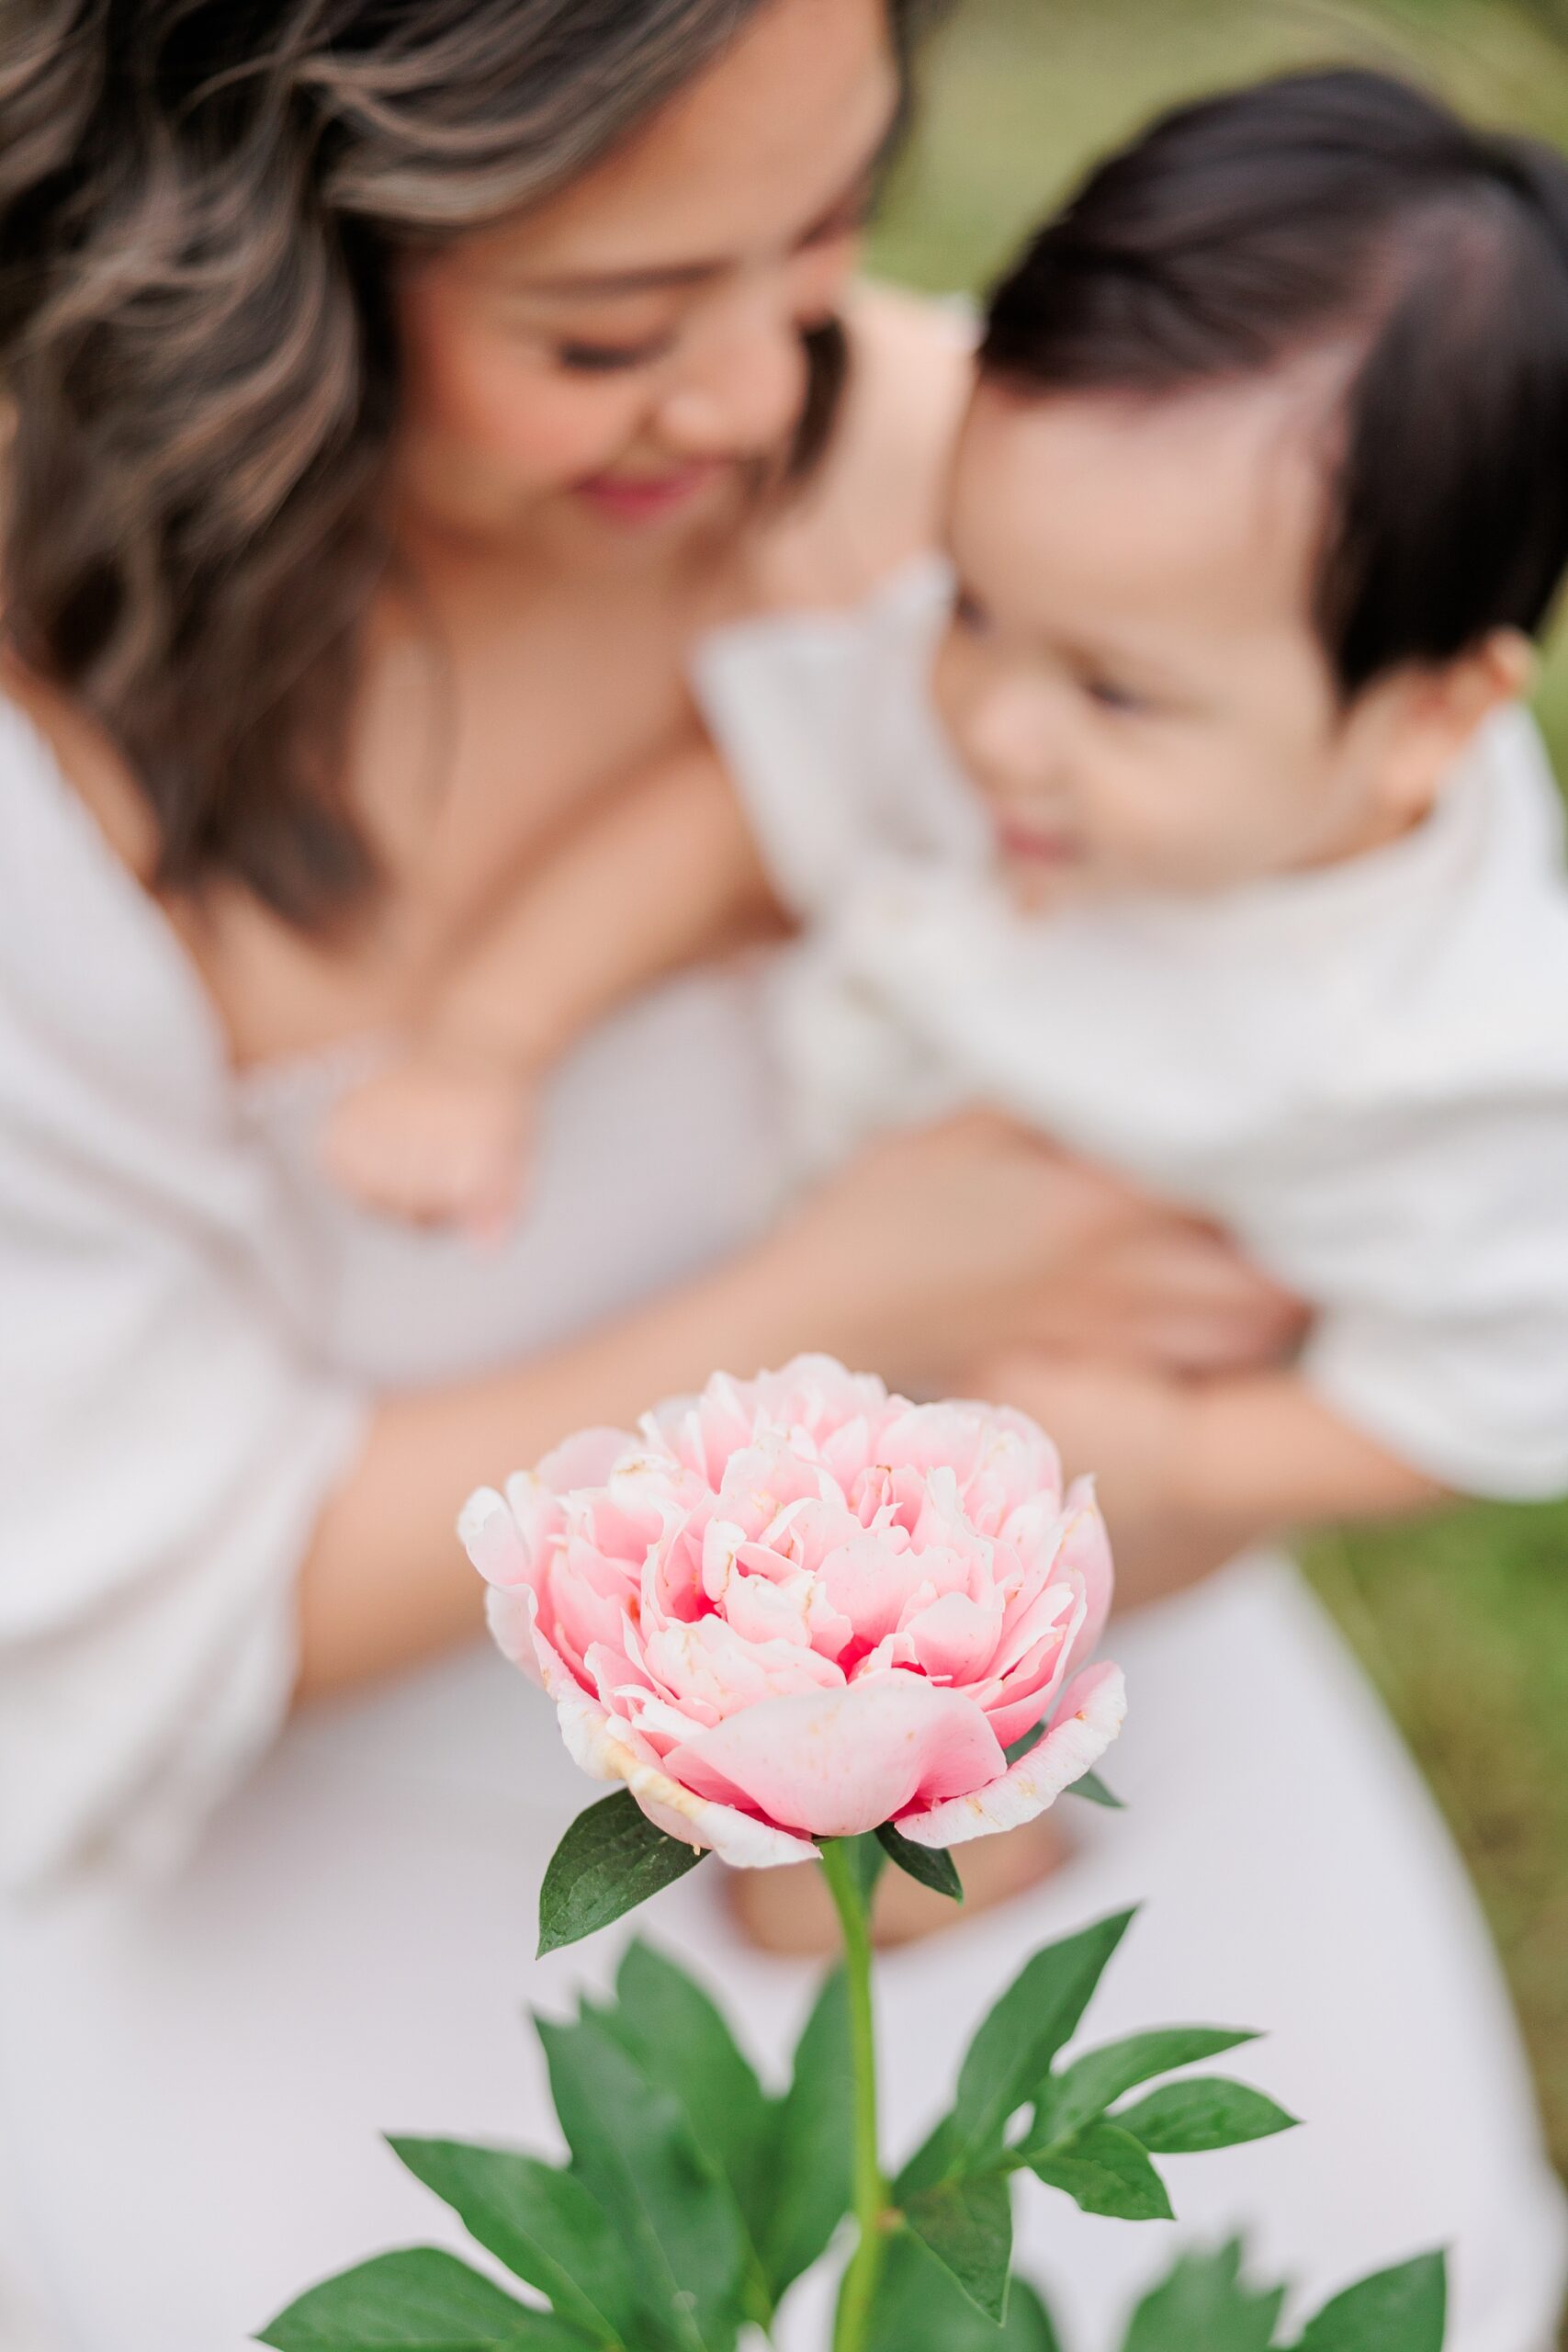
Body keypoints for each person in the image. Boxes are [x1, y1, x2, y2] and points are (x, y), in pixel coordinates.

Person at [0, 6, 1559, 2346]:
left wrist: (1133, 1481)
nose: (753, 398)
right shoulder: (52, 779)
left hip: (1075, 1665)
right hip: (328, 1819)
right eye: (607, 324)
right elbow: (88, 1607)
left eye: (822, 234)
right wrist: (868, 1280)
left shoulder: (1033, 496)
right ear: (258, 268)